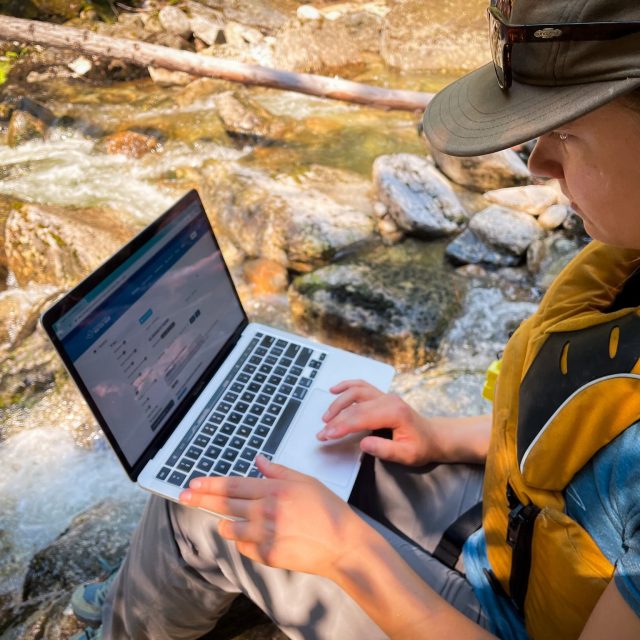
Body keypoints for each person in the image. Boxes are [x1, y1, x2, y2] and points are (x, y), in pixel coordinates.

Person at [71, 1, 640, 638]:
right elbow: (595, 441)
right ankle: (140, 584)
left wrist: (349, 552)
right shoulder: (627, 256)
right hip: (512, 528)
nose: (538, 164)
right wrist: (435, 435)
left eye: (564, 132)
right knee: (308, 439)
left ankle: (124, 613)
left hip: (503, 615)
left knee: (203, 507)